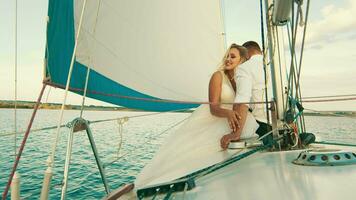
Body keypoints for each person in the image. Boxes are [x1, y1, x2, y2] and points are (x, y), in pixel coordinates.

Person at [134, 44, 258, 188]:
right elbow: (214, 108)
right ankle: (159, 180)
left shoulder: (242, 79)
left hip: (229, 122)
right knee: (189, 153)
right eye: (227, 56)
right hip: (215, 118)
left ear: (242, 61)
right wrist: (228, 113)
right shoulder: (218, 76)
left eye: (233, 56)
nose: (228, 59)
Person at [220, 41, 272, 149]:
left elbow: (242, 101)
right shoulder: (275, 66)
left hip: (262, 128)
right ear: (260, 52)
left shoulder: (244, 68)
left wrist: (236, 134)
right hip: (286, 127)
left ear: (246, 55)